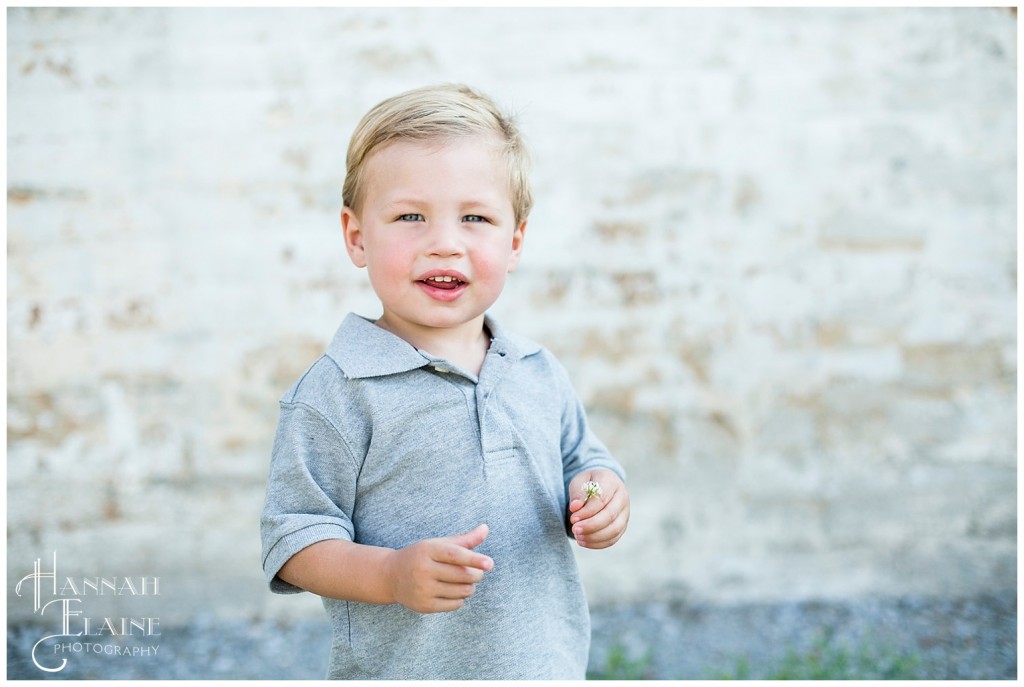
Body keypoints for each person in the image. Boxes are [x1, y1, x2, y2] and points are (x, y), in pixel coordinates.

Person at [260, 83, 630, 680]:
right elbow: (295, 539)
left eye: (475, 218)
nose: (444, 243)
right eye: (410, 216)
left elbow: (583, 460)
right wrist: (389, 574)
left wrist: (600, 493)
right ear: (357, 236)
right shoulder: (337, 393)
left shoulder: (535, 369)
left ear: (514, 241)